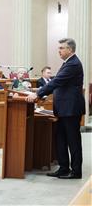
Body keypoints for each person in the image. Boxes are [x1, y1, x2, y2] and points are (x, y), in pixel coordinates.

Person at [27, 38, 85, 179]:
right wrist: (42, 93)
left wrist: (38, 94)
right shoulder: (67, 63)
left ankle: (76, 171)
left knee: (73, 141)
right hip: (64, 108)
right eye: (59, 48)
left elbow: (57, 82)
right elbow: (58, 83)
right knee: (61, 138)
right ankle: (64, 168)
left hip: (70, 109)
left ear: (70, 50)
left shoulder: (73, 64)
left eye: (61, 48)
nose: (59, 50)